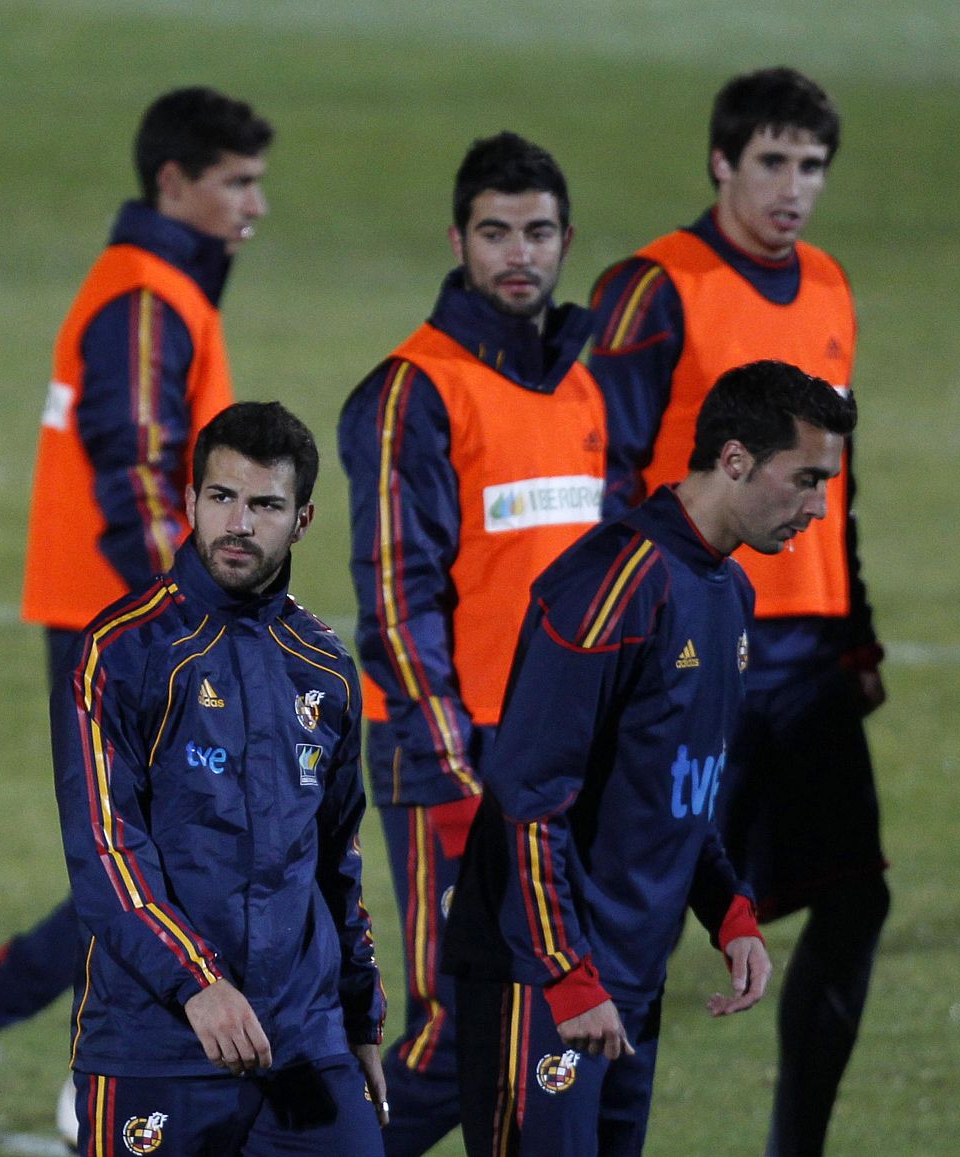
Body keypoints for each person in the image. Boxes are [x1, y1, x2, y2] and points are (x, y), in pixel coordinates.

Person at [0, 85, 273, 1138]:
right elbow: (139, 474)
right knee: (159, 865)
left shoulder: (159, 287)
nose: (255, 204)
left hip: (113, 615)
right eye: (236, 182)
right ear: (173, 182)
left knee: (164, 860)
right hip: (124, 624)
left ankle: (59, 1055)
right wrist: (182, 615)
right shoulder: (149, 298)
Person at [584, 67, 888, 1155]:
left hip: (804, 651)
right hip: (696, 645)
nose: (792, 187)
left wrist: (854, 626)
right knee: (645, 923)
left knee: (854, 898)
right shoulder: (651, 286)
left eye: (811, 165)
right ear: (721, 162)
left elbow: (835, 479)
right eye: (771, 161)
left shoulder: (832, 286)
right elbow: (604, 469)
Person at [443, 360, 858, 1156]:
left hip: (629, 976)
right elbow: (529, 796)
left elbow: (678, 787)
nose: (818, 506)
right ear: (735, 459)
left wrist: (728, 908)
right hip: (545, 977)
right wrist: (567, 973)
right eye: (806, 478)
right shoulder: (611, 584)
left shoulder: (729, 592)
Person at [336, 132, 606, 1155]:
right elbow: (396, 599)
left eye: (536, 231)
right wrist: (451, 770)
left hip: (558, 752)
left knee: (537, 1016)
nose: (517, 254)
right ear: (458, 239)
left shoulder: (582, 385)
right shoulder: (412, 391)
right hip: (454, 752)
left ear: (566, 238)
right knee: (457, 1022)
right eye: (494, 233)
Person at [54, 401, 388, 1155]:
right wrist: (197, 981)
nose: (239, 523)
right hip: (157, 1041)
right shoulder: (122, 653)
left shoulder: (325, 666)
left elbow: (338, 859)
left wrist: (358, 1016)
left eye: (265, 504)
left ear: (302, 520)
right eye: (221, 497)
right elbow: (106, 853)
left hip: (303, 1039)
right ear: (191, 501)